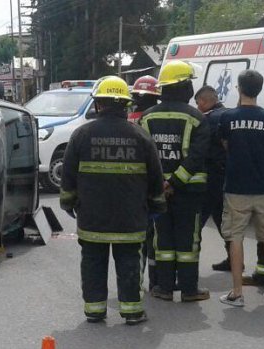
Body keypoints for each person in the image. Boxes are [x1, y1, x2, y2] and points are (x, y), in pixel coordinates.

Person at [61, 76, 165, 325]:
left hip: (92, 218)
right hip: (130, 218)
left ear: (99, 105)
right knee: (129, 261)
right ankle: (131, 311)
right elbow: (155, 177)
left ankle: (95, 310)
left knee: (93, 262)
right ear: (125, 105)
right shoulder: (140, 136)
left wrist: (68, 203)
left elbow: (68, 175)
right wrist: (156, 206)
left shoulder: (81, 135)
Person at [140, 60, 211, 302]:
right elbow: (197, 157)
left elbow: (144, 156)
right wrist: (175, 183)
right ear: (183, 86)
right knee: (188, 240)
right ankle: (189, 290)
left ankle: (164, 288)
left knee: (163, 239)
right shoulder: (197, 118)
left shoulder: (147, 118)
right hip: (189, 191)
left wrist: (161, 183)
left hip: (158, 192)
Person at [218, 69, 264, 306]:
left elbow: (226, 146)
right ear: (259, 90)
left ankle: (237, 292)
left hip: (237, 187)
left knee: (235, 237)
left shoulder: (228, 118)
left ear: (238, 88)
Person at [129, 75, 161, 290]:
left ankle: (137, 283)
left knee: (140, 240)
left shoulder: (130, 119)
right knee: (153, 238)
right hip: (151, 184)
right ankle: (155, 281)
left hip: (134, 186)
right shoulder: (153, 118)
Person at [194, 85, 230, 271]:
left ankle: (189, 266)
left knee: (197, 221)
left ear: (205, 101)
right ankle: (234, 259)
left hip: (210, 176)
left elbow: (200, 148)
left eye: (198, 102)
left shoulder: (208, 119)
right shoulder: (228, 114)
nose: (197, 106)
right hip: (226, 176)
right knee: (221, 218)